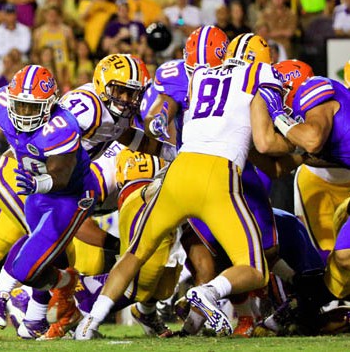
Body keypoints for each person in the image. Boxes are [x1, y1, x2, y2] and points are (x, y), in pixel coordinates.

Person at [0, 55, 151, 341]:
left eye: (130, 93)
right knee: (36, 245)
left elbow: (120, 146)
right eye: (120, 91)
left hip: (47, 184)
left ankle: (31, 318)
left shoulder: (106, 134)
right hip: (16, 173)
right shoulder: (83, 114)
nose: (125, 99)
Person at [75, 33, 294, 339]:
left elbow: (168, 112)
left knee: (134, 254)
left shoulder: (201, 73)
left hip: (178, 170)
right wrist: (297, 142)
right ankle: (207, 294)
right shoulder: (260, 72)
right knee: (255, 268)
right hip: (218, 175)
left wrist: (159, 123)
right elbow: (265, 140)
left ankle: (89, 324)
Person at [271, 60, 350, 304]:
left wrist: (277, 116)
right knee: (343, 256)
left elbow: (313, 140)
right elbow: (280, 158)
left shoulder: (313, 87)